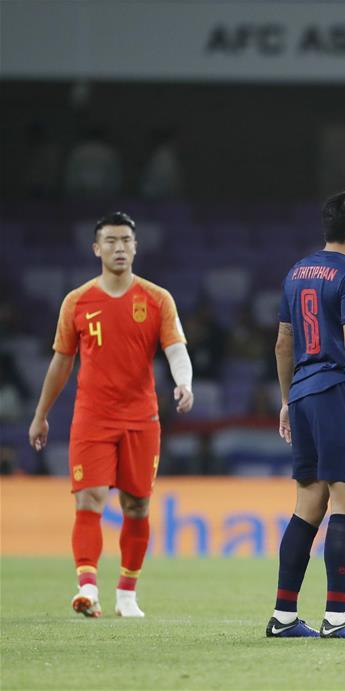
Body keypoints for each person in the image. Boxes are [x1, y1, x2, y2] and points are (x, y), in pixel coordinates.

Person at [28, 211, 194, 618]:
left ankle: (126, 594)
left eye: (125, 240)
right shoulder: (77, 301)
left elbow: (175, 349)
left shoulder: (157, 299)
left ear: (136, 247)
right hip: (92, 417)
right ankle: (87, 586)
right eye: (111, 241)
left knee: (136, 505)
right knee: (90, 498)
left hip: (141, 418)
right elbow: (61, 362)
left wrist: (184, 381)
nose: (119, 247)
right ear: (96, 248)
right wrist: (41, 414)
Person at [265, 191, 345, 639]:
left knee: (308, 503)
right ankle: (337, 618)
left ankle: (283, 617)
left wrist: (285, 400)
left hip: (300, 392)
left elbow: (283, 342)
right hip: (337, 392)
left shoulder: (297, 271)